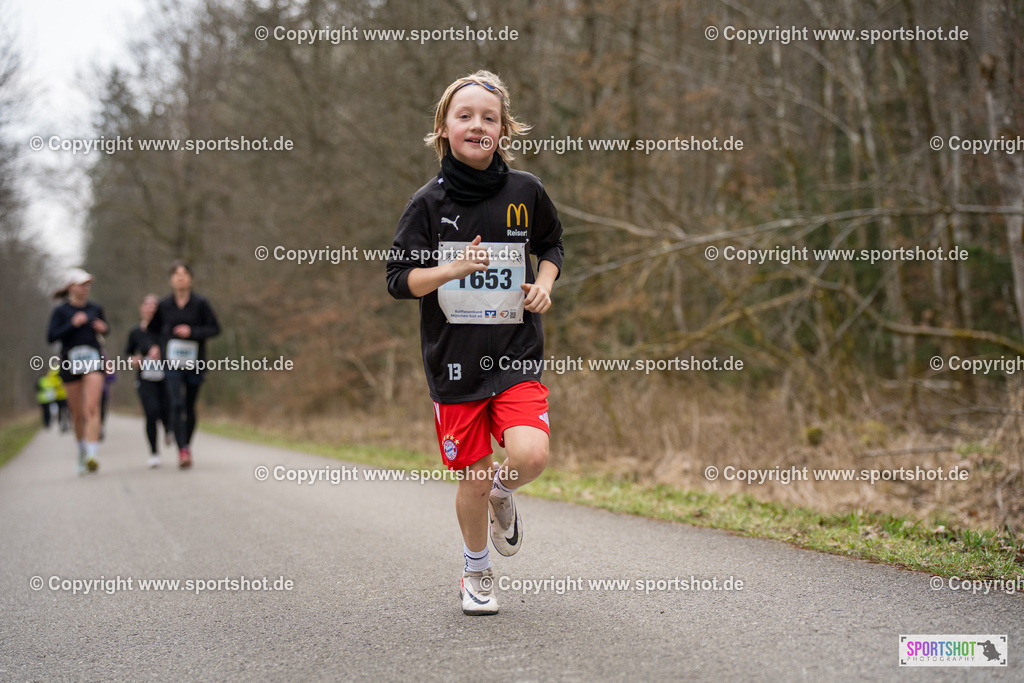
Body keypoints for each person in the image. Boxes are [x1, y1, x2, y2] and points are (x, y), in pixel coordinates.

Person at [386, 70, 563, 615]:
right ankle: (476, 569)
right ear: (443, 128)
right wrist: (451, 267)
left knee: (529, 455)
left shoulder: (526, 191)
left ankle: (504, 494)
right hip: (454, 363)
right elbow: (399, 281)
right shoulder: (427, 204)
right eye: (465, 116)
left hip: (515, 352)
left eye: (489, 118)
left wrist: (544, 286)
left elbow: (552, 245)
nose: (477, 125)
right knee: (473, 477)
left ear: (504, 130)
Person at [148, 261, 220, 468]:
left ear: (191, 279)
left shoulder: (201, 303)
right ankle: (182, 450)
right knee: (176, 403)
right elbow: (152, 330)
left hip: (195, 362)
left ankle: (186, 444)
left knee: (189, 405)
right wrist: (153, 346)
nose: (180, 278)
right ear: (171, 280)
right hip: (171, 363)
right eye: (176, 274)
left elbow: (215, 328)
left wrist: (192, 332)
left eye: (185, 274)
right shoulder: (163, 306)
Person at [46, 268, 108, 474]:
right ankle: (82, 450)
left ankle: (92, 454)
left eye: (88, 284)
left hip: (93, 360)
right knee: (78, 413)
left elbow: (106, 329)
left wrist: (103, 328)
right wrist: (72, 325)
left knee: (92, 407)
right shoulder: (61, 311)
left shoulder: (95, 308)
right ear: (71, 287)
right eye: (82, 284)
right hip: (70, 363)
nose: (86, 288)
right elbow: (51, 336)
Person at [126, 294, 170, 468]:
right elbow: (127, 354)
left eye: (155, 305)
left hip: (166, 376)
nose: (151, 308)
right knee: (151, 412)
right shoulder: (135, 332)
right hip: (145, 378)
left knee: (167, 409)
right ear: (141, 308)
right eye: (147, 305)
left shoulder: (165, 329)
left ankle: (169, 428)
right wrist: (133, 360)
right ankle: (154, 452)